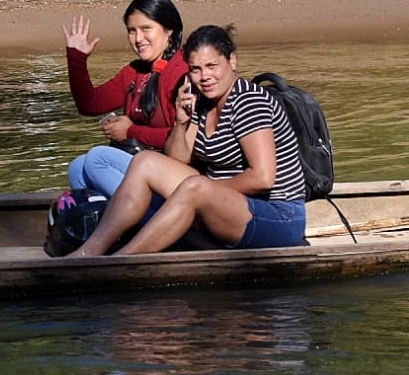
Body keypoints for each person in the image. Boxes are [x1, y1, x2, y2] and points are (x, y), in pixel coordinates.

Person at [66, 24, 306, 257]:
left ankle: (124, 260)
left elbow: (263, 178)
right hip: (227, 205)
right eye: (195, 69)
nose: (205, 77)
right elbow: (179, 158)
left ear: (232, 61)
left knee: (195, 187)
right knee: (146, 160)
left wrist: (204, 193)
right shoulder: (203, 102)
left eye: (212, 66)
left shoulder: (248, 102)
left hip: (279, 216)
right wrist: (181, 122)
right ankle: (90, 252)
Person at [63, 0, 189, 198]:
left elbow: (184, 138)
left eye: (146, 28)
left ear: (169, 30)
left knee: (98, 158)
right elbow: (89, 104)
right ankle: (111, 225)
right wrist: (77, 59)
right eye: (132, 31)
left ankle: (152, 220)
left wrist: (131, 132)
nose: (138, 39)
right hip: (146, 163)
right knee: (78, 167)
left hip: (178, 172)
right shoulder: (134, 72)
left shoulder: (182, 70)